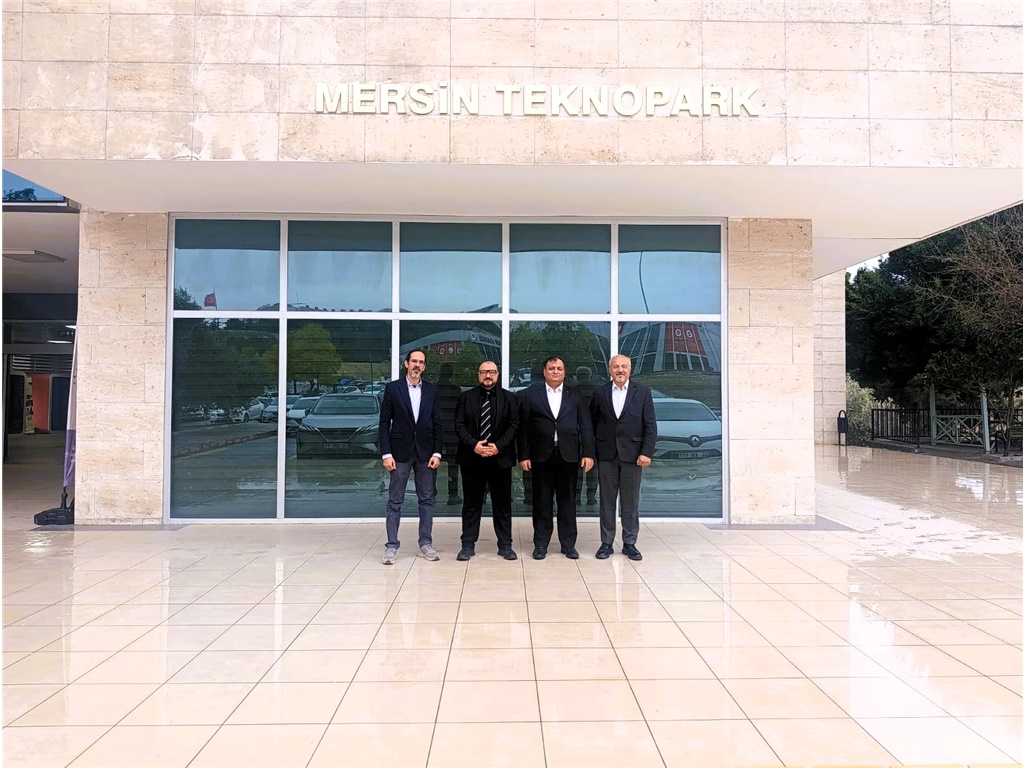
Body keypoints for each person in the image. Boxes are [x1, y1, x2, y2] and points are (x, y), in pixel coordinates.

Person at [518, 356, 595, 560]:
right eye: (551, 368)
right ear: (544, 372)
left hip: (568, 456)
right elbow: (524, 427)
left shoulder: (575, 395)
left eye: (559, 368)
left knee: (567, 502)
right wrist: (524, 455)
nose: (555, 371)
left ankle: (568, 545)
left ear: (564, 372)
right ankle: (541, 544)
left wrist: (588, 453)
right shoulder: (531, 395)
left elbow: (585, 426)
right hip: (540, 456)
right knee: (541, 502)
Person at [589, 354, 657, 561]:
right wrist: (591, 452)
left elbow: (650, 425)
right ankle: (606, 543)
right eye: (616, 366)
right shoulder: (600, 392)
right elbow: (591, 424)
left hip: (633, 456)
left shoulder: (642, 392)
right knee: (607, 501)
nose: (620, 370)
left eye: (624, 366)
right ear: (610, 370)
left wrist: (646, 452)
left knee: (630, 501)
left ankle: (629, 543)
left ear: (630, 369)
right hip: (606, 454)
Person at [379, 349, 443, 565]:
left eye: (421, 362)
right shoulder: (393, 389)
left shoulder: (431, 390)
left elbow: (437, 424)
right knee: (395, 501)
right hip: (399, 453)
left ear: (424, 366)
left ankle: (425, 543)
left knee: (427, 499)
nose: (417, 365)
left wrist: (437, 452)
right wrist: (386, 453)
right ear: (406, 364)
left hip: (426, 453)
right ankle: (391, 546)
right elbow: (384, 423)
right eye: (414, 361)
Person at [454, 361, 519, 561]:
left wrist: (498, 446)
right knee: (471, 505)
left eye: (491, 372)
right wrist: (474, 445)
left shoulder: (509, 398)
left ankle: (505, 545)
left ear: (498, 374)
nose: (488, 376)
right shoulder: (466, 397)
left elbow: (514, 425)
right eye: (484, 372)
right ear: (478, 375)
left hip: (500, 459)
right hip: (472, 458)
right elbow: (459, 425)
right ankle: (467, 545)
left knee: (502, 505)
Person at [434, 362, 463, 505]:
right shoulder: (455, 390)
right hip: (451, 431)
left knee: (432, 462)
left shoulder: (433, 389)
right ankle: (453, 494)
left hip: (436, 429)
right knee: (453, 464)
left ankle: (431, 493)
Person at [573, 365, 600, 507]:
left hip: (575, 435)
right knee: (592, 470)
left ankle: (576, 498)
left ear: (577, 377)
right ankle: (591, 498)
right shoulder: (598, 391)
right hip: (594, 435)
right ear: (590, 376)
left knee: (577, 471)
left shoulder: (572, 391)